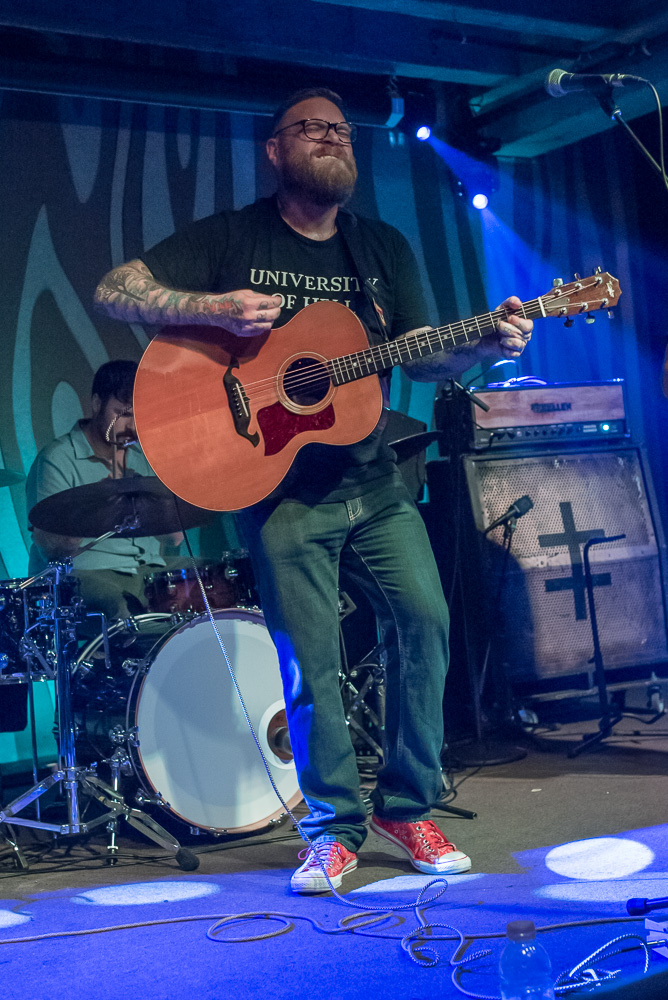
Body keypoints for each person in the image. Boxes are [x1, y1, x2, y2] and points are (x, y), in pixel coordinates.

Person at [94, 87, 533, 893]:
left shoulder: (382, 250)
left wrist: (481, 344)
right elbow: (116, 288)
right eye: (312, 128)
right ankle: (332, 829)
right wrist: (212, 307)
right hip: (282, 493)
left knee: (427, 624)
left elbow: (421, 354)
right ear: (275, 150)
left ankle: (407, 805)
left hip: (373, 480)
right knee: (311, 665)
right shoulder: (234, 236)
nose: (333, 138)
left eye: (342, 130)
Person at [26, 360, 181, 620]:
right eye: (121, 413)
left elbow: (174, 539)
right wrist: (96, 505)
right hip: (88, 573)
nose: (131, 426)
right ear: (97, 404)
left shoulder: (142, 457)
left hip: (147, 570)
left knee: (213, 577)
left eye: (137, 415)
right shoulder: (58, 457)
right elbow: (51, 548)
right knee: (115, 602)